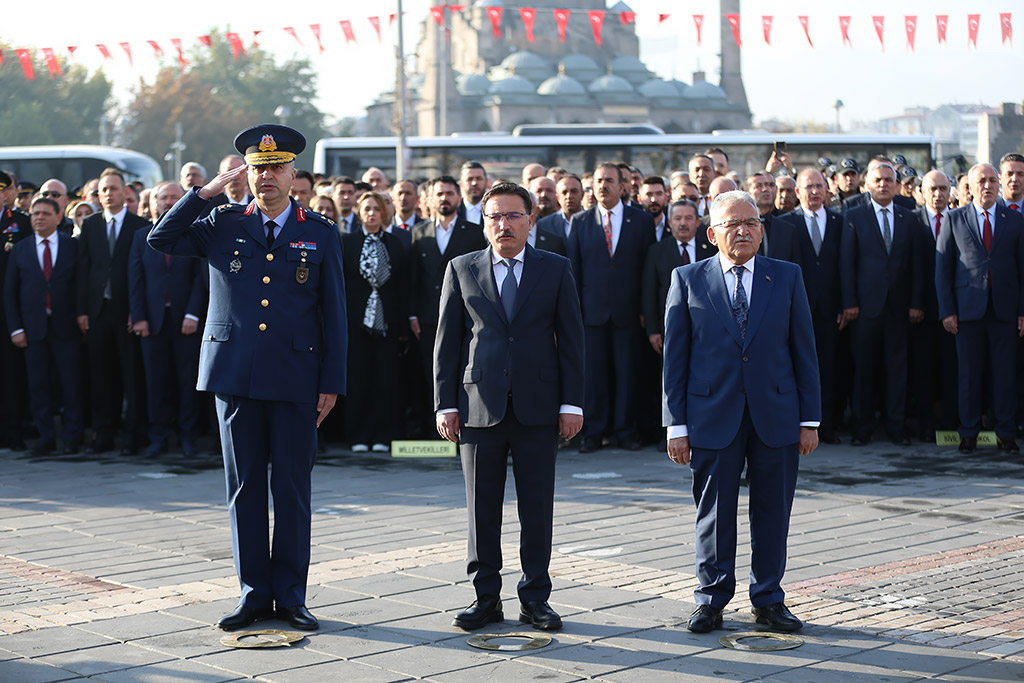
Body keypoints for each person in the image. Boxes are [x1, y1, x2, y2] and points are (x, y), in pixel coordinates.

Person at [149, 124, 347, 632]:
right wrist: (206, 192)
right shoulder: (222, 221)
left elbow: (334, 314)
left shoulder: (319, 230)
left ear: (293, 174)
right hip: (235, 374)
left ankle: (292, 596)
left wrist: (332, 381)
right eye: (258, 169)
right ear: (247, 175)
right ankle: (253, 595)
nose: (267, 178)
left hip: (297, 376)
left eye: (276, 168)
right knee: (244, 491)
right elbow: (161, 237)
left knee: (293, 491)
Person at [663, 190, 820, 634]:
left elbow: (804, 351)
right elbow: (675, 361)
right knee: (714, 513)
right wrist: (676, 425)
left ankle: (768, 599)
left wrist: (809, 419)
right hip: (712, 415)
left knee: (773, 512)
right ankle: (711, 600)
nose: (743, 230)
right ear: (711, 233)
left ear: (762, 230)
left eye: (751, 222)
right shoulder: (688, 279)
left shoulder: (786, 277)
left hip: (777, 414)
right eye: (733, 224)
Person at [435, 182, 584, 632]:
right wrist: (445, 404)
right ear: (485, 224)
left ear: (531, 219)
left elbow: (573, 341)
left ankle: (535, 598)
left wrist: (572, 403)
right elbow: (447, 343)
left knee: (536, 508)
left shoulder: (555, 268)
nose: (504, 224)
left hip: (539, 407)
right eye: (495, 217)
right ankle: (485, 599)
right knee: (482, 511)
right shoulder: (461, 268)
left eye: (513, 215)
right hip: (479, 406)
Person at [936, 163, 1024, 454]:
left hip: (1005, 311)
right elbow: (943, 269)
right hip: (967, 310)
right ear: (970, 187)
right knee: (969, 376)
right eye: (981, 181)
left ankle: (1006, 433)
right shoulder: (954, 218)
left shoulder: (1013, 220)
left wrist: (1022, 311)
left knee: (1005, 375)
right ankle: (969, 432)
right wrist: (947, 310)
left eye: (992, 181)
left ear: (998, 185)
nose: (987, 186)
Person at [567, 162, 655, 452]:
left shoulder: (640, 221)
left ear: (622, 186)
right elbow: (573, 271)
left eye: (609, 180)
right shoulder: (580, 222)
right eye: (598, 181)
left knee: (627, 375)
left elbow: (648, 270)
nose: (603, 186)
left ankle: (625, 431)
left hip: (628, 313)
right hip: (591, 313)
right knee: (594, 377)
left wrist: (646, 310)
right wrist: (574, 311)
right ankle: (593, 432)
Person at [840, 162, 926, 446]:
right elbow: (846, 264)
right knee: (864, 370)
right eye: (878, 180)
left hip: (899, 309)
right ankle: (862, 429)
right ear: (867, 185)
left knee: (897, 370)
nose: (884, 184)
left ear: (897, 185)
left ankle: (896, 427)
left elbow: (916, 266)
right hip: (865, 308)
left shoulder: (909, 218)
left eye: (889, 180)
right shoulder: (853, 216)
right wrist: (850, 301)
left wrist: (916, 303)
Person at [76, 168, 150, 455]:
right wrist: (82, 310)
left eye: (114, 189)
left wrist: (138, 310)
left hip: (128, 312)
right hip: (97, 312)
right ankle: (103, 433)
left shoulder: (139, 225)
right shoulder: (91, 224)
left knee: (131, 375)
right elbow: (84, 269)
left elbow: (144, 272)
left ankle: (133, 435)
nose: (108, 194)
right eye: (103, 190)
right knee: (101, 374)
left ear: (125, 192)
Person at [770, 169, 845, 444]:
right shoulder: (786, 223)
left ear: (827, 190)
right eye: (808, 187)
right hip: (795, 308)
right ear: (798, 192)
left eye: (819, 186)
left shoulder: (839, 221)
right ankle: (795, 424)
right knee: (793, 367)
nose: (814, 191)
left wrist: (846, 302)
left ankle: (827, 425)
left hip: (830, 309)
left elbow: (845, 265)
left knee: (828, 368)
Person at [5, 196, 83, 455]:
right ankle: (45, 439)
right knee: (38, 385)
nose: (39, 217)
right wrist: (16, 328)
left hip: (66, 327)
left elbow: (80, 286)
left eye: (45, 213)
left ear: (57, 217)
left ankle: (72, 438)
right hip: (32, 330)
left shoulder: (72, 246)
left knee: (70, 384)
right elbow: (10, 292)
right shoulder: (21, 249)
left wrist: (82, 316)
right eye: (35, 213)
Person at [128, 202, 206, 457]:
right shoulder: (142, 236)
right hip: (152, 322)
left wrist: (193, 313)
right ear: (151, 204)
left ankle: (188, 437)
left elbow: (200, 277)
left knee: (187, 382)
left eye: (175, 196)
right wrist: (139, 317)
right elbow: (135, 279)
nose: (168, 202)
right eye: (162, 197)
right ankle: (158, 437)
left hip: (186, 321)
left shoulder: (193, 233)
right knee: (155, 383)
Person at [409, 176, 486, 410]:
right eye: (440, 194)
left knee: (461, 370)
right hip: (427, 317)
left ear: (459, 198)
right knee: (428, 373)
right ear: (430, 199)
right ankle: (433, 430)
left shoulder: (474, 232)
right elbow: (414, 277)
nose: (445, 198)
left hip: (464, 316)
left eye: (450, 193)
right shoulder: (419, 231)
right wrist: (412, 315)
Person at [342, 192, 407, 453]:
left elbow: (403, 285)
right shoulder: (346, 243)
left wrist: (402, 324)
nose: (371, 213)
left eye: (376, 209)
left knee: (385, 380)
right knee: (357, 379)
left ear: (383, 213)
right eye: (366, 208)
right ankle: (358, 435)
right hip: (354, 321)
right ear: (359, 212)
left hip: (387, 322)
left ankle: (383, 434)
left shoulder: (396, 243)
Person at [459, 161, 488, 225]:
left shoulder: (494, 211)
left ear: (486, 182)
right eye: (469, 179)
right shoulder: (453, 212)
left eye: (479, 178)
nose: (474, 183)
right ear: (461, 184)